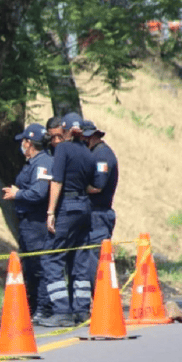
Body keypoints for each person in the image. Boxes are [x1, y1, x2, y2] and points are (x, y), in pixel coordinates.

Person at [39, 112, 96, 328]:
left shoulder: (62, 149)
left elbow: (57, 181)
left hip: (67, 208)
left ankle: (61, 310)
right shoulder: (89, 153)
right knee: (80, 258)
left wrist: (51, 212)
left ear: (65, 131)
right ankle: (82, 310)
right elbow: (92, 185)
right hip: (84, 208)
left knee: (52, 258)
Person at [1, 123, 54, 324]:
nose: (21, 145)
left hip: (36, 223)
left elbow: (39, 193)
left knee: (39, 266)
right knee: (29, 267)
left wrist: (18, 193)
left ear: (29, 143)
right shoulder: (31, 163)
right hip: (27, 223)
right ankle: (31, 307)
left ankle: (43, 308)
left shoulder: (43, 164)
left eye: (23, 141)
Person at [80, 120, 119, 289]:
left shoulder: (102, 155)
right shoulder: (94, 153)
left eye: (85, 138)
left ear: (93, 137)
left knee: (95, 261)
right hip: (93, 214)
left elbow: (97, 186)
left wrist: (75, 187)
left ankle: (102, 299)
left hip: (98, 215)